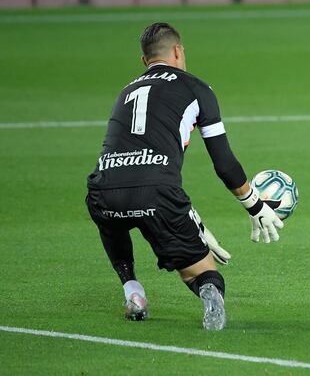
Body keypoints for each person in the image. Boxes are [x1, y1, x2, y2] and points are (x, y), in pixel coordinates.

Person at [86, 22, 284, 330]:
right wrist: (255, 205)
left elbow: (128, 167)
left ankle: (133, 291)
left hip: (103, 190)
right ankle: (209, 292)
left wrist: (197, 221)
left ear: (144, 62)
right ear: (179, 51)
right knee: (204, 272)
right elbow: (224, 163)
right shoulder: (197, 89)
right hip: (157, 193)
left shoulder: (125, 92)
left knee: (112, 218)